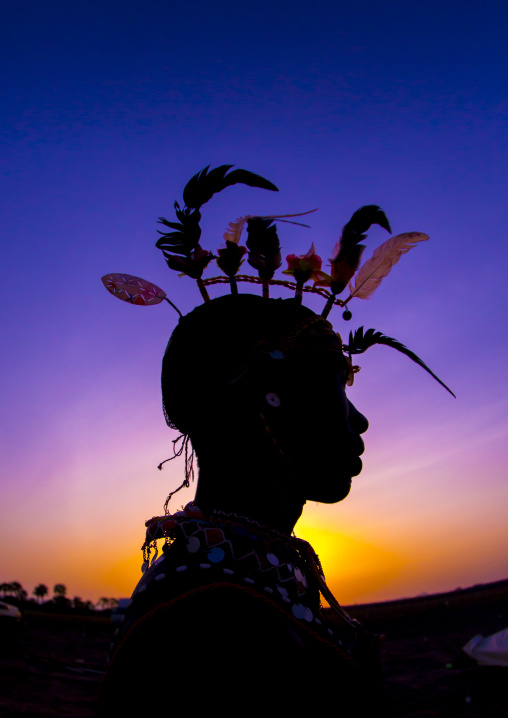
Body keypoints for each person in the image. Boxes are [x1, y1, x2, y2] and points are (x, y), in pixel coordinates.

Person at [98, 166, 453, 714]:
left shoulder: (227, 591)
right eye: (338, 387)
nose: (359, 421)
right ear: (266, 397)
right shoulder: (216, 628)